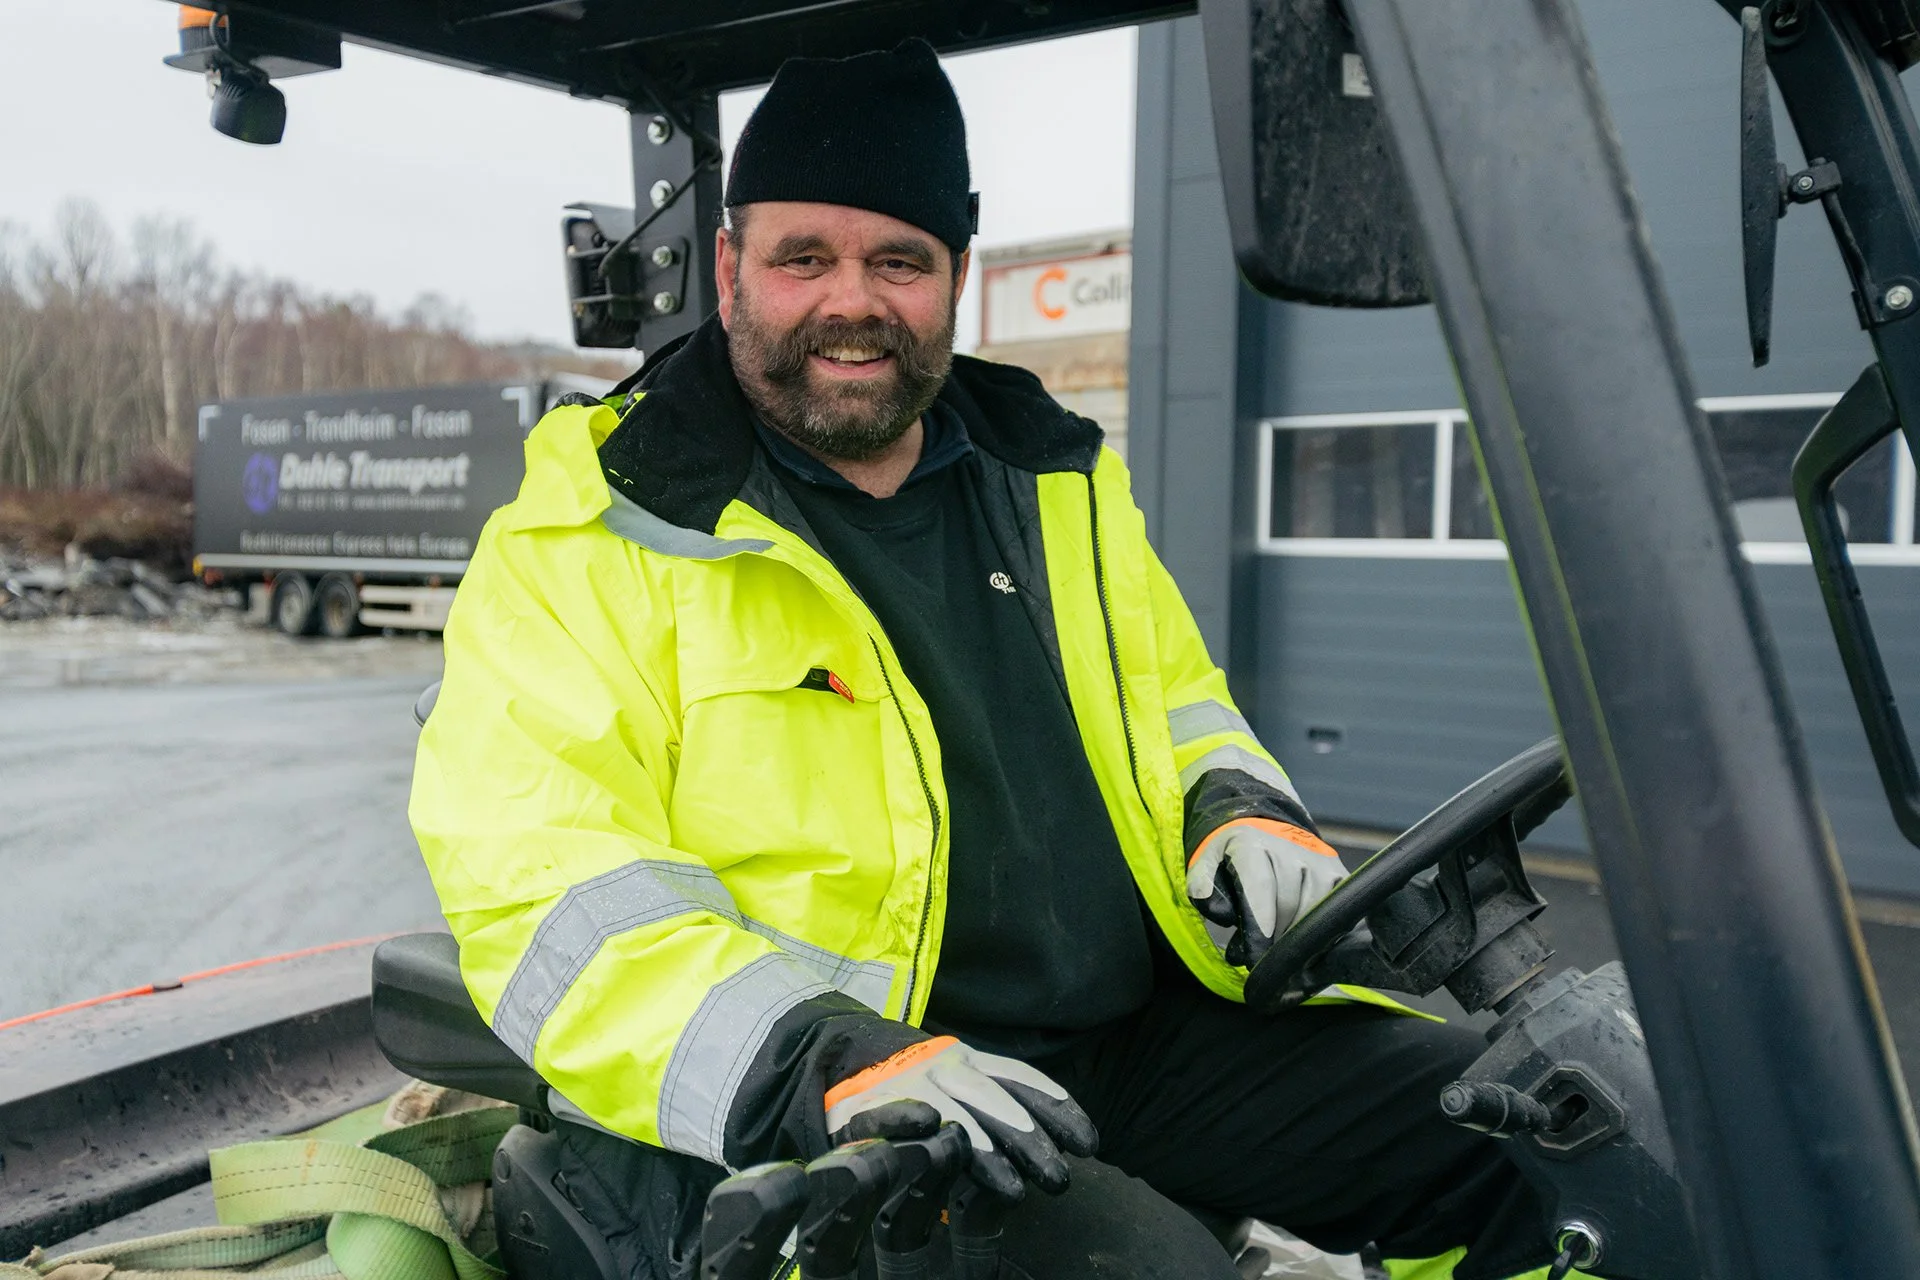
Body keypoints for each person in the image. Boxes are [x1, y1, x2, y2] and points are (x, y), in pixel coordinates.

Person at [411, 38, 1557, 1280]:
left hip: (1130, 1039)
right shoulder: (598, 524)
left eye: (898, 259)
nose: (852, 300)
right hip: (840, 1105)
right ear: (733, 269)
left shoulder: (1053, 478)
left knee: (1556, 1133)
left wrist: (1235, 807)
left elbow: (1175, 705)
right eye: (806, 257)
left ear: (956, 276)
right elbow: (550, 888)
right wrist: (830, 1060)